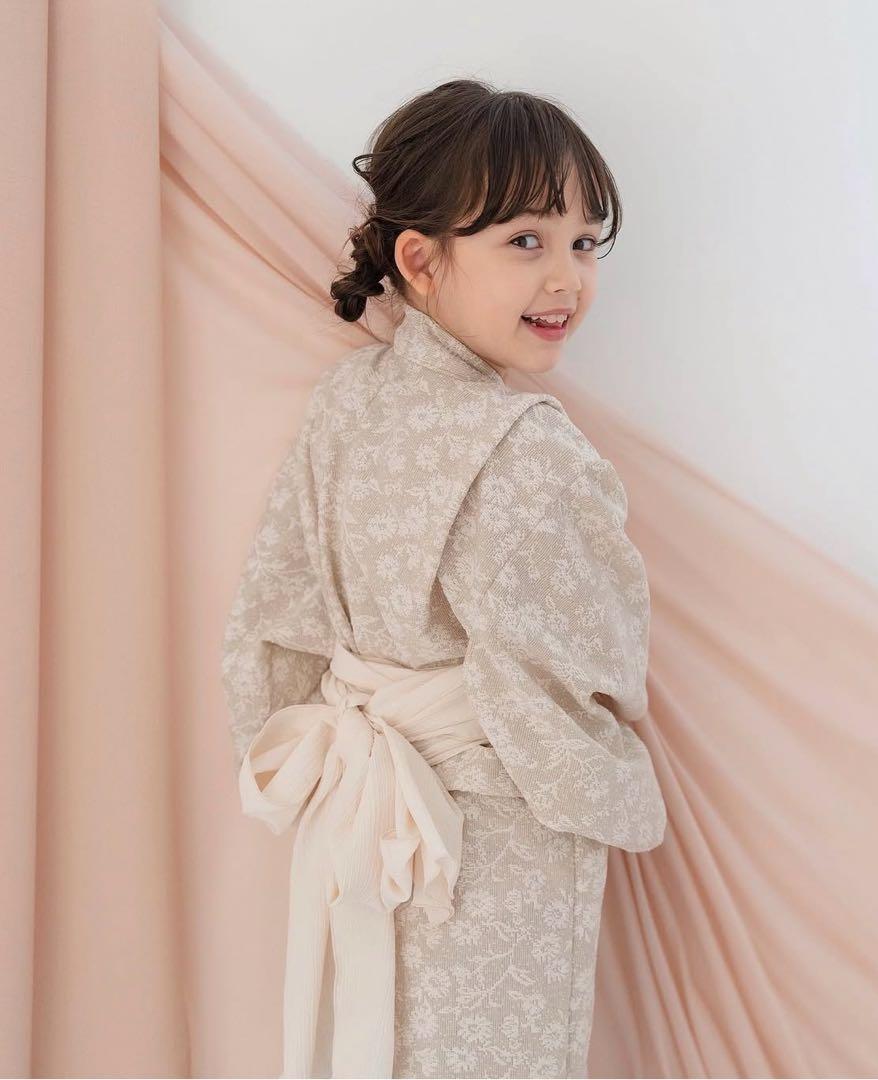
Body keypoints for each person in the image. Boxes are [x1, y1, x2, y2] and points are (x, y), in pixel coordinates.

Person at [220, 77, 667, 1080]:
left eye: (584, 242)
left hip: (355, 816)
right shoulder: (529, 448)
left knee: (368, 1044)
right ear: (420, 261)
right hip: (496, 829)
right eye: (525, 240)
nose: (565, 279)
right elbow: (590, 666)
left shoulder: (346, 400)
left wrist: (302, 754)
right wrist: (605, 776)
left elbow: (272, 617)